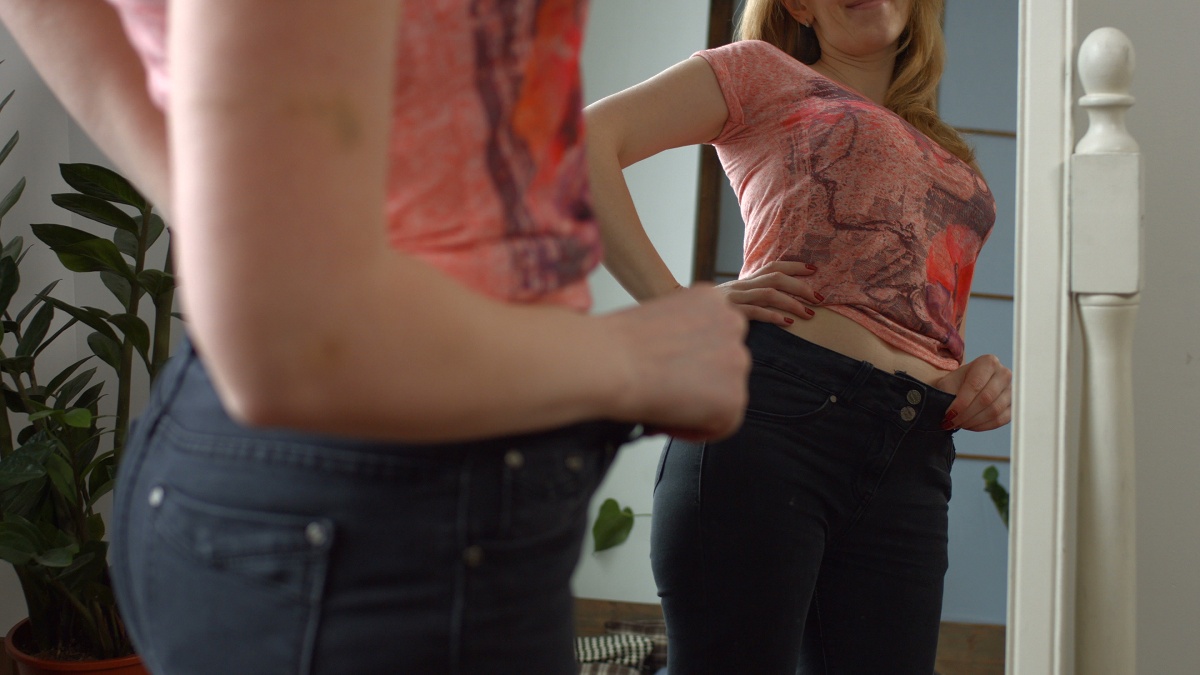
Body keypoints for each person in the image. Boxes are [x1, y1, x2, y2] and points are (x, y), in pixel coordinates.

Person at [0, 1, 752, 673]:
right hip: (383, 504)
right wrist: (638, 359)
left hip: (362, 494)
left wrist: (230, 229)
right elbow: (294, 343)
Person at [584, 0, 1013, 672]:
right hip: (776, 416)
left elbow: (929, 310)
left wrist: (972, 377)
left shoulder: (952, 154)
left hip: (914, 450)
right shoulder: (761, 71)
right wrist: (677, 307)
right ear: (798, 5)